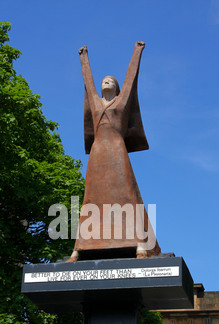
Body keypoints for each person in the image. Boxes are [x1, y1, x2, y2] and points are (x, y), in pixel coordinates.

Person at [67, 41, 160, 262]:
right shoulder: (95, 103)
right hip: (98, 154)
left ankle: (140, 245)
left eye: (111, 80)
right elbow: (87, 83)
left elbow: (131, 79)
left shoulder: (121, 102)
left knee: (128, 195)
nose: (106, 81)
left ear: (117, 88)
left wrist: (137, 51)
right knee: (91, 199)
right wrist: (84, 58)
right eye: (104, 80)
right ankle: (78, 249)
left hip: (118, 153)